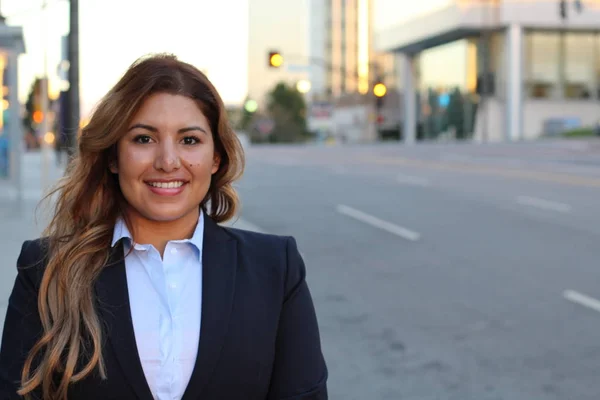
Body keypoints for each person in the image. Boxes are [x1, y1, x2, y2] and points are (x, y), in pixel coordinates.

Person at [0, 54, 328, 400]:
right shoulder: (48, 268)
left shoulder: (275, 267)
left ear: (216, 157)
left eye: (189, 140)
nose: (168, 162)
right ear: (113, 156)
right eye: (144, 139)